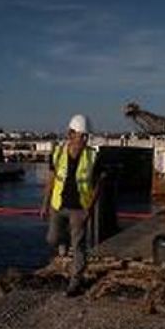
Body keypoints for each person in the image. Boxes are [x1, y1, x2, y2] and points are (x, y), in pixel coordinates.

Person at [40, 114, 103, 297]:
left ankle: (75, 281)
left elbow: (99, 184)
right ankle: (63, 241)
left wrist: (89, 209)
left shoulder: (93, 157)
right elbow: (51, 180)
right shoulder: (58, 152)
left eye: (86, 136)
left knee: (79, 246)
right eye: (81, 135)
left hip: (79, 209)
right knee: (52, 239)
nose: (84, 139)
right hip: (58, 206)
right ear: (70, 134)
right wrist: (44, 204)